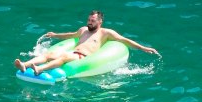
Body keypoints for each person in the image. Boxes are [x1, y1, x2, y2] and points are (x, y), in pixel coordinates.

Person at [14, 10, 159, 77]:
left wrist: (143, 48)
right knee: (50, 53)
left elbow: (124, 40)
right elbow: (70, 35)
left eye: (92, 21)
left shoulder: (106, 33)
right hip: (72, 52)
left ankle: (39, 70)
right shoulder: (83, 30)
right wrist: (55, 34)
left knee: (62, 58)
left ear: (100, 21)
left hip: (82, 57)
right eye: (89, 20)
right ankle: (24, 65)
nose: (89, 22)